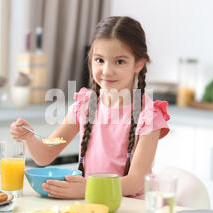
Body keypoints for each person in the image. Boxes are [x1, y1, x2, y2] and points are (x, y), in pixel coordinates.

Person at [10, 16, 170, 199]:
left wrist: (88, 188)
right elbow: (45, 155)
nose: (107, 70)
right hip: (91, 204)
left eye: (119, 62)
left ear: (139, 64)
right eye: (100, 60)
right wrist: (29, 137)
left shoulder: (148, 115)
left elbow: (135, 181)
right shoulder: (85, 106)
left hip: (129, 209)